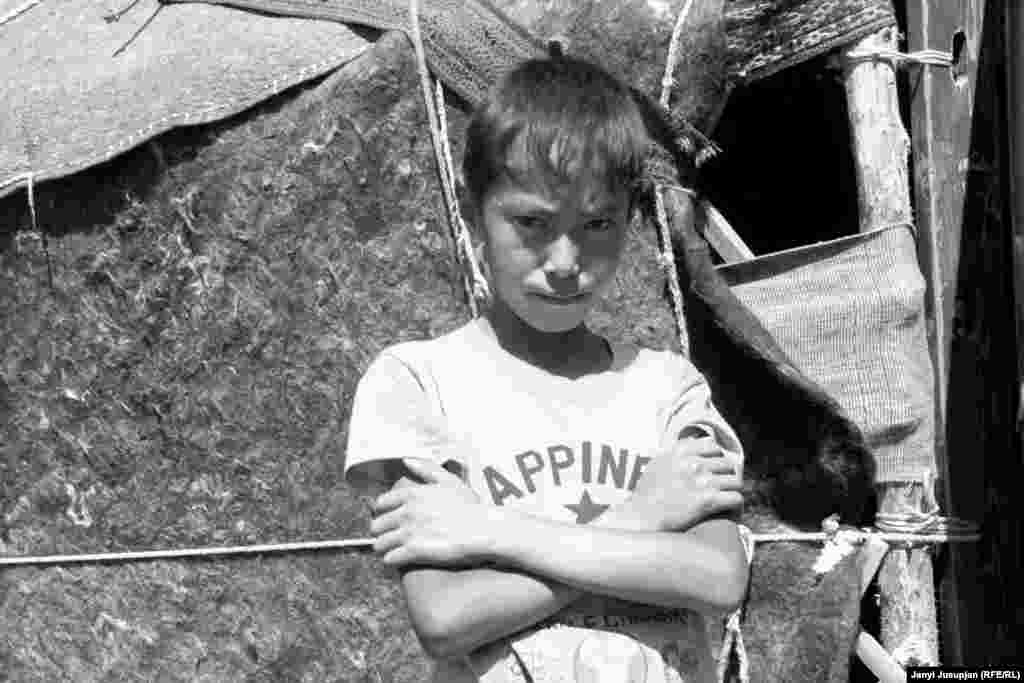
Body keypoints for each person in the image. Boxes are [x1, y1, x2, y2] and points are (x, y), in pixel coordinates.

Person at [344, 55, 747, 683]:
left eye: (597, 224)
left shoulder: (667, 387)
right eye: (532, 221)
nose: (565, 260)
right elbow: (446, 617)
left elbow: (719, 577)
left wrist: (487, 530)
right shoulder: (417, 382)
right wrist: (641, 519)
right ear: (474, 211)